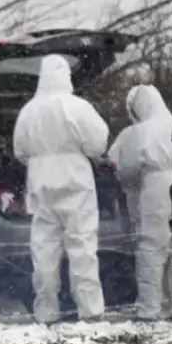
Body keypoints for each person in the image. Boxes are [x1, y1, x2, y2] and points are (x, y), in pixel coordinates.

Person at [12, 54, 110, 324]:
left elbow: (20, 150)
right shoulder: (77, 107)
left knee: (44, 250)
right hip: (76, 182)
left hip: (41, 183)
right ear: (66, 75)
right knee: (82, 246)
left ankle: (46, 311)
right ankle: (90, 311)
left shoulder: (29, 111)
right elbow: (97, 143)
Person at [108, 84, 172, 320]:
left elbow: (125, 170)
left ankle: (149, 307)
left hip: (154, 188)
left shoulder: (137, 133)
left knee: (151, 247)